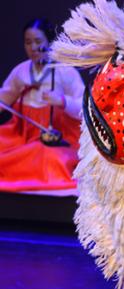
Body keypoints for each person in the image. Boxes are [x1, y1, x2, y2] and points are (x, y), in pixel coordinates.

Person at [0, 18, 84, 192]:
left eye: (38, 41)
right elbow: (3, 100)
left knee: (50, 158)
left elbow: (85, 108)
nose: (33, 47)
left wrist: (62, 101)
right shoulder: (21, 71)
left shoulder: (64, 72)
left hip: (56, 139)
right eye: (28, 42)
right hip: (22, 135)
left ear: (49, 43)